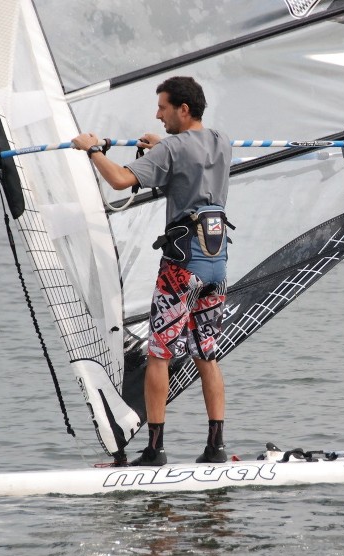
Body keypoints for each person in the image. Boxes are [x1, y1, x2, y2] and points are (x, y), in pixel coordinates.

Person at [72, 76, 232, 466]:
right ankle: (216, 448)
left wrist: (92, 150)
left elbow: (120, 179)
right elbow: (190, 159)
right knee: (206, 355)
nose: (157, 114)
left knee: (160, 355)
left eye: (162, 107)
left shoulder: (173, 149)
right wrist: (162, 148)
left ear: (183, 109)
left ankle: (155, 450)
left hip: (182, 268)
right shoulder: (221, 141)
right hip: (217, 266)